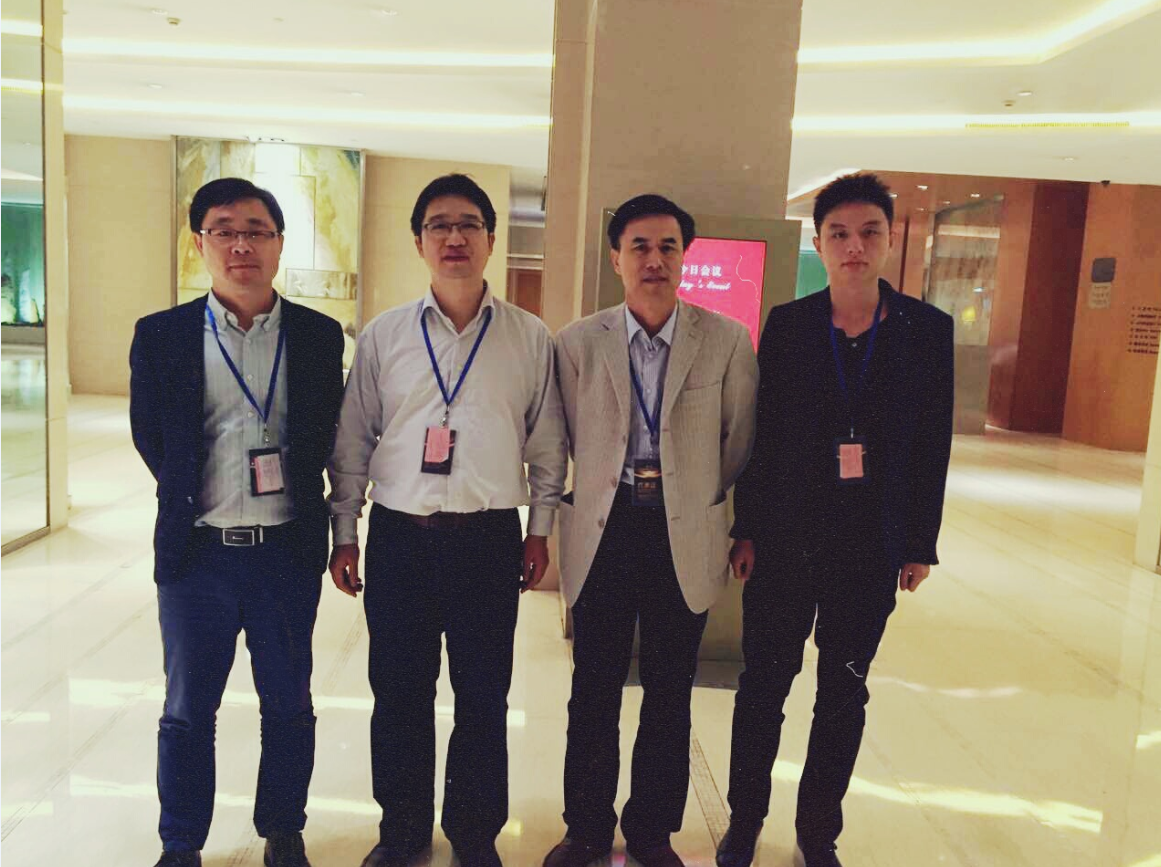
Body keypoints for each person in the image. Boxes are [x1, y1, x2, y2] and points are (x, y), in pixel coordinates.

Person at [327, 174, 568, 867]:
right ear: (419, 241)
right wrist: (345, 531)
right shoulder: (385, 335)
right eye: (439, 224)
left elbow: (547, 443)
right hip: (400, 537)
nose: (454, 237)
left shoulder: (528, 337)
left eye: (468, 224)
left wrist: (539, 529)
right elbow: (353, 440)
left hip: (487, 539)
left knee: (483, 696)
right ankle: (402, 830)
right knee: (399, 695)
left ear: (491, 238)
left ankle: (473, 832)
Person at [716, 173, 954, 867]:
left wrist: (918, 542)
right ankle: (744, 821)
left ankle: (818, 833)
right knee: (763, 686)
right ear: (819, 243)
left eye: (868, 232)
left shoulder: (925, 331)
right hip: (786, 538)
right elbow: (762, 435)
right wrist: (746, 527)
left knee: (843, 691)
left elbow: (931, 444)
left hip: (869, 544)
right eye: (839, 234)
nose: (854, 247)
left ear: (888, 239)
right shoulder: (790, 325)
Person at [130, 177, 345, 867]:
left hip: (285, 552)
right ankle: (181, 842)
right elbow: (150, 436)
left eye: (256, 230)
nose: (241, 244)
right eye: (224, 230)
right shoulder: (161, 335)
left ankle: (283, 829)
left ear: (279, 244)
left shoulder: (317, 336)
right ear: (200, 243)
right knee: (188, 709)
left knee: (288, 703)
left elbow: (328, 433)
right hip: (198, 556)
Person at [544, 194, 758, 867]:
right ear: (616, 258)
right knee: (593, 688)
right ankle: (585, 828)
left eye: (668, 246)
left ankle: (651, 830)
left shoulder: (724, 340)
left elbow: (739, 441)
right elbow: (560, 437)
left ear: (684, 256)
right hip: (602, 532)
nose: (654, 259)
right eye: (639, 245)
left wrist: (708, 507)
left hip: (682, 533)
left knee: (669, 689)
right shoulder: (577, 342)